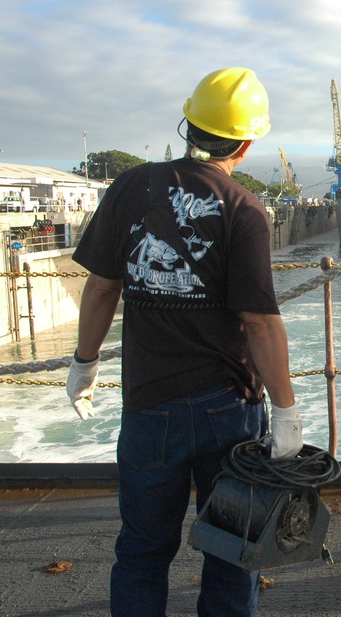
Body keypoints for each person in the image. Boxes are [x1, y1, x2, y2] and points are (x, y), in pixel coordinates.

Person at [65, 67, 303, 617]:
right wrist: (287, 411)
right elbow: (261, 323)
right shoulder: (245, 210)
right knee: (232, 550)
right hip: (229, 407)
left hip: (150, 405)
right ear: (245, 144)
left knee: (143, 551)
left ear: (188, 124)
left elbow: (101, 287)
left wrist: (85, 364)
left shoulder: (131, 186)